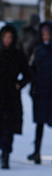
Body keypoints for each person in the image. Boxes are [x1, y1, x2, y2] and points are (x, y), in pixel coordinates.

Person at [0, 24, 31, 169]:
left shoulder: (18, 55)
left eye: (10, 37)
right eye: (5, 37)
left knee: (10, 125)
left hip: (11, 94)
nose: (7, 40)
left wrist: (19, 85)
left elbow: (27, 74)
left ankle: (6, 152)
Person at [28, 21, 52, 164]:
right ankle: (37, 152)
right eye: (43, 34)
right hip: (41, 92)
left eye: (48, 34)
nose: (46, 37)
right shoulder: (38, 50)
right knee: (40, 124)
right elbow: (31, 69)